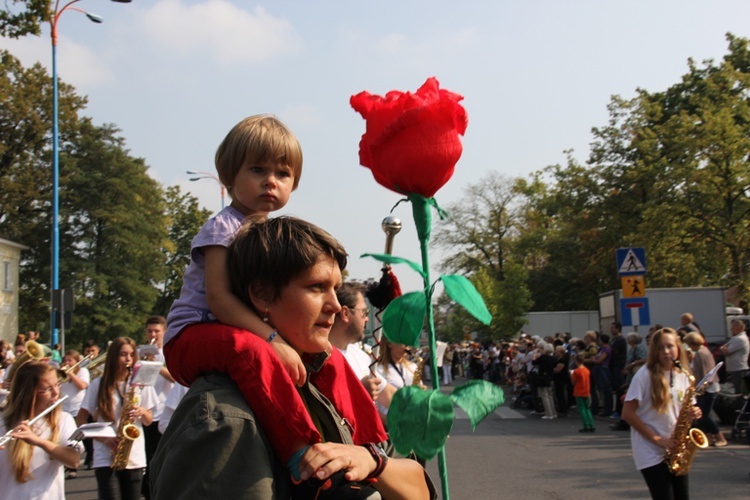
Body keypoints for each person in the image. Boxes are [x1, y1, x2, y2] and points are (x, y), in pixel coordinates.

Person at [151, 216, 433, 499]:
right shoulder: (226, 421)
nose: (335, 305)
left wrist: (373, 462)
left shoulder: (322, 378)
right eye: (316, 287)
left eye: (335, 288)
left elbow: (419, 487)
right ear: (262, 295)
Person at [163, 115, 354, 486]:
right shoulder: (224, 227)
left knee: (327, 358)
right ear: (229, 177)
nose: (271, 181)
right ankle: (300, 450)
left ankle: (370, 438)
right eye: (257, 169)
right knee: (247, 353)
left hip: (235, 330)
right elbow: (219, 301)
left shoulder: (270, 235)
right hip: (194, 333)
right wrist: (272, 340)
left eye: (282, 173)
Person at [622, 327, 702, 500]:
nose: (666, 351)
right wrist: (656, 439)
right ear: (654, 351)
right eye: (660, 348)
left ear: (678, 348)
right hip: (650, 448)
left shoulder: (684, 375)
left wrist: (693, 413)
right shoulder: (645, 375)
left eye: (670, 346)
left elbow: (684, 409)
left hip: (675, 447)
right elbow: (627, 413)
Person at [77, 337, 158, 500]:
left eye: (131, 354)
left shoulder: (140, 383)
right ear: (113, 357)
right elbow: (81, 419)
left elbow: (149, 420)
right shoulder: (97, 385)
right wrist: (103, 439)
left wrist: (141, 412)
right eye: (123, 354)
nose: (128, 359)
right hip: (105, 456)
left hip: (134, 456)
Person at [0, 360, 82, 498]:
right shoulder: (2, 423)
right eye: (48, 389)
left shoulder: (63, 420)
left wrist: (38, 441)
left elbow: (74, 460)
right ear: (29, 393)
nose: (56, 392)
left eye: (57, 385)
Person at [139, 315, 174, 500]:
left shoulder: (169, 353)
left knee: (161, 458)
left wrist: (156, 365)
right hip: (144, 412)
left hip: (163, 413)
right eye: (149, 331)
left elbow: (176, 378)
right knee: (145, 459)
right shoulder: (138, 352)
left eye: (156, 331)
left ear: (164, 332)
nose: (153, 334)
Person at [684, 332, 727, 447]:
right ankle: (711, 437)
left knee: (704, 415)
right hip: (706, 388)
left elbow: (705, 374)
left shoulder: (700, 354)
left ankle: (720, 437)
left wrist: (700, 390)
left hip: (708, 389)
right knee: (703, 415)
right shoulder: (701, 351)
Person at [59, 349, 91, 479]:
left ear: (76, 362)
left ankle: (83, 461)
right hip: (64, 409)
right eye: (65, 360)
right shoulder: (61, 373)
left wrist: (71, 374)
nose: (67, 363)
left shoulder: (82, 371)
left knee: (79, 438)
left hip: (77, 408)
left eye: (70, 360)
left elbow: (82, 386)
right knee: (67, 440)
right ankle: (69, 466)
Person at [719, 319, 749, 394]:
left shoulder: (739, 339)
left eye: (733, 327)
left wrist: (723, 348)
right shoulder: (736, 338)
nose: (731, 329)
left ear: (740, 327)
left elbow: (727, 351)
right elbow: (724, 347)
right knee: (737, 389)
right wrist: (723, 348)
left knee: (739, 391)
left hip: (738, 368)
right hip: (735, 368)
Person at [571, 353, 595, 432]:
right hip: (587, 391)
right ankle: (591, 424)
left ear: (576, 361)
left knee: (582, 409)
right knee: (587, 408)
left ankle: (586, 425)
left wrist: (571, 374)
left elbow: (573, 382)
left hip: (579, 391)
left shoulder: (576, 371)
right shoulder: (587, 370)